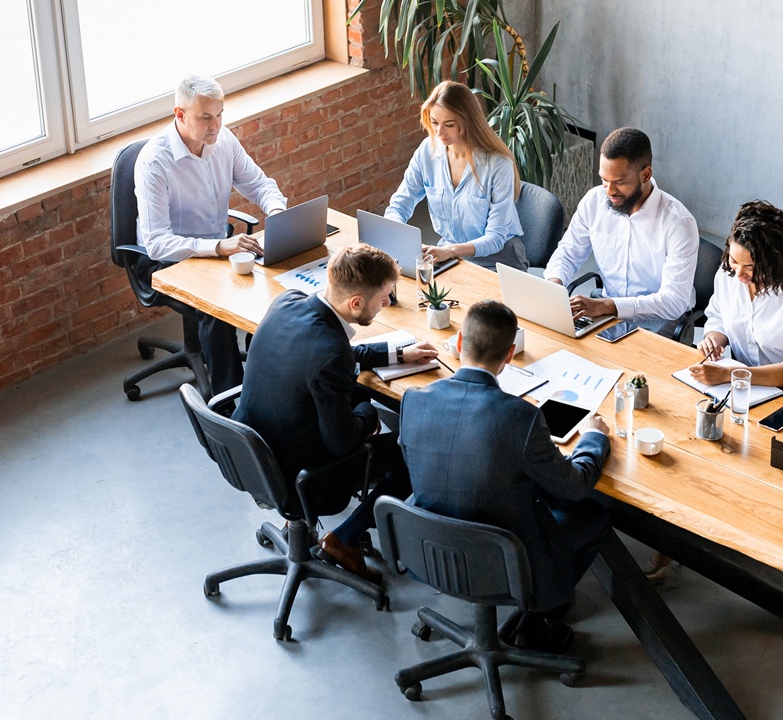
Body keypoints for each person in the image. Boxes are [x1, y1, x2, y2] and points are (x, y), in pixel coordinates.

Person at [398, 300, 611, 652]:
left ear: (460, 341)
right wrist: (594, 438)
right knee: (593, 515)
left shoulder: (414, 400)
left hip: (428, 551)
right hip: (503, 564)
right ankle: (539, 614)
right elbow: (574, 487)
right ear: (511, 354)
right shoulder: (520, 418)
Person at [233, 244, 438, 583]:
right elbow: (342, 443)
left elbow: (336, 351)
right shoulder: (331, 355)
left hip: (254, 453)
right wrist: (367, 413)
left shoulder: (288, 302)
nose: (387, 303)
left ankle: (298, 524)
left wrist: (398, 353)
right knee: (409, 457)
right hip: (299, 476)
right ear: (356, 303)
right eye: (384, 297)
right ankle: (343, 540)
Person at [134, 75, 286, 394]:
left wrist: (276, 213)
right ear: (180, 115)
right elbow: (157, 242)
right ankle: (229, 401)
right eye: (205, 117)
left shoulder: (223, 141)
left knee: (280, 283)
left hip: (219, 247)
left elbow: (259, 184)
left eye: (219, 114)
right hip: (165, 261)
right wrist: (218, 246)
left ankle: (274, 383)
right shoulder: (153, 162)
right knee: (217, 306)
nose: (215, 125)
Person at [543, 127, 699, 341]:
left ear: (646, 174)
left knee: (633, 373)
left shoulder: (679, 223)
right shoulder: (594, 201)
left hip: (659, 320)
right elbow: (568, 253)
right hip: (606, 313)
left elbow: (673, 302)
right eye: (604, 180)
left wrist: (609, 306)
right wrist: (554, 283)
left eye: (619, 182)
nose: (609, 191)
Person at [687, 200, 783, 394]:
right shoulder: (727, 274)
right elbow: (718, 317)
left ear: (775, 262)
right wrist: (713, 340)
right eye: (734, 261)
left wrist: (731, 374)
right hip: (750, 383)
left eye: (750, 267)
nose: (739, 273)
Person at [384, 80, 527, 271]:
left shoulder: (498, 164)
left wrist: (451, 251)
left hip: (498, 260)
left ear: (468, 121)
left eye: (449, 124)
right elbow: (399, 206)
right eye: (434, 122)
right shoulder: (428, 150)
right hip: (449, 253)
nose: (439, 132)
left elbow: (495, 238)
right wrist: (399, 235)